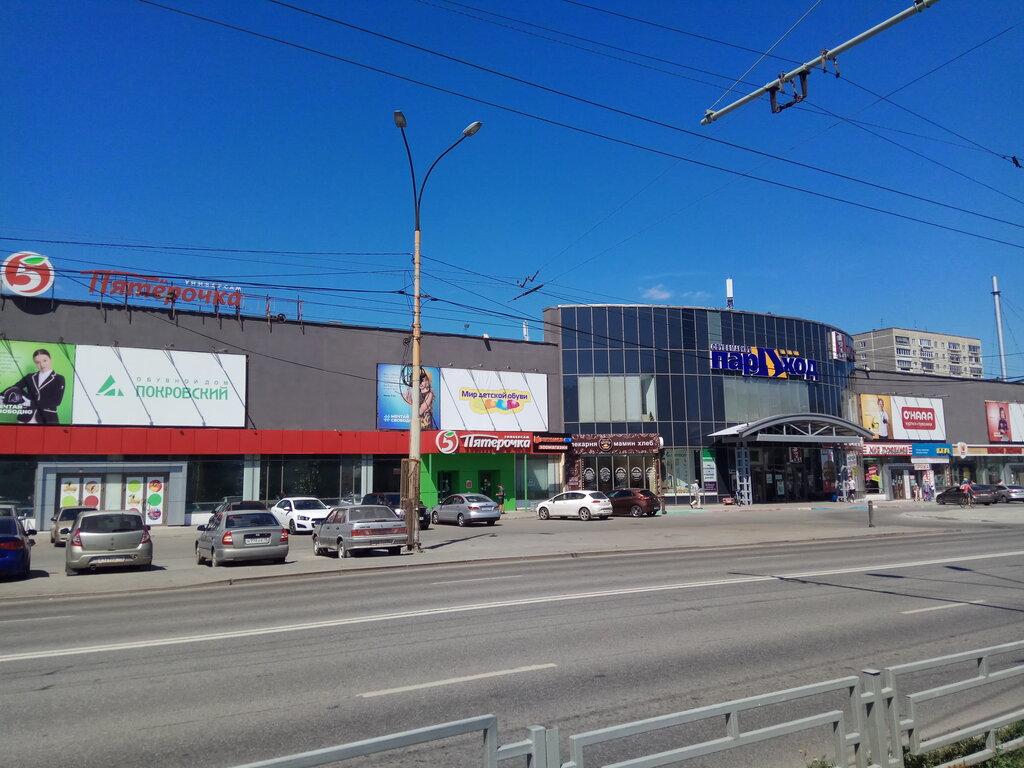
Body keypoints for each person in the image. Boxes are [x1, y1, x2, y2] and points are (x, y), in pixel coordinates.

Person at [7, 348, 66, 425]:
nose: (42, 365)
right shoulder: (30, 377)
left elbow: (55, 401)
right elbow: (15, 387)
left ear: (50, 359)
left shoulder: (59, 378)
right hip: (26, 417)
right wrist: (2, 395)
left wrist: (30, 403)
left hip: (47, 418)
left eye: (45, 360)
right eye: (38, 362)